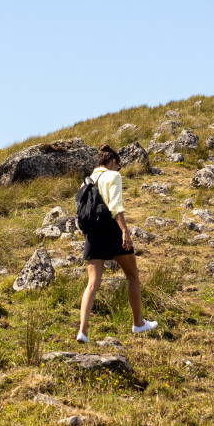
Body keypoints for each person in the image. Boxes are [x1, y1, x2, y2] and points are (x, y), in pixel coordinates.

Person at [77, 144, 158, 341]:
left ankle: (83, 331)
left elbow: (81, 212)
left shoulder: (86, 182)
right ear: (113, 162)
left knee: (92, 283)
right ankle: (138, 324)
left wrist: (87, 236)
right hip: (111, 229)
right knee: (132, 275)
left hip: (92, 234)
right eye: (118, 166)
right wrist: (125, 232)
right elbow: (115, 207)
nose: (118, 170)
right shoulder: (113, 176)